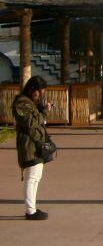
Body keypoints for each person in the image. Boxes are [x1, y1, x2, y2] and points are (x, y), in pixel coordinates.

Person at [12, 76, 53, 220]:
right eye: (39, 91)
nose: (40, 95)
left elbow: (37, 120)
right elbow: (31, 122)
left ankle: (32, 207)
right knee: (31, 177)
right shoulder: (21, 103)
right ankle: (30, 210)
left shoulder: (30, 103)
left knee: (36, 177)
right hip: (29, 145)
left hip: (36, 145)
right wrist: (44, 113)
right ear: (32, 89)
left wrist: (42, 110)